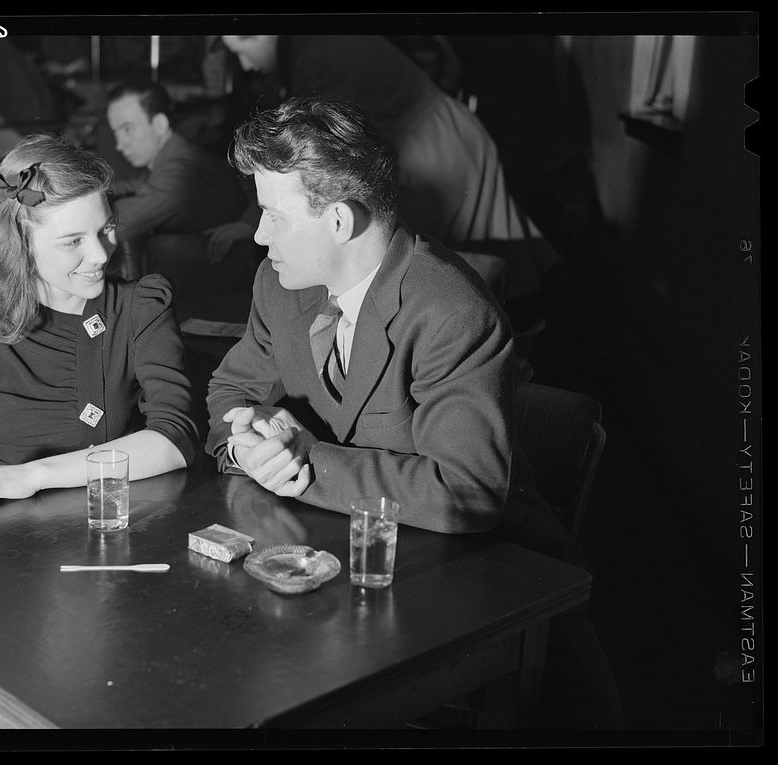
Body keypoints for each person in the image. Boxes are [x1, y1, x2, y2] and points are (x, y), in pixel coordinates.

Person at [205, 96, 624, 729]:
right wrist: (247, 442)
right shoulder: (279, 282)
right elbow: (231, 389)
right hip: (339, 571)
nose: (258, 235)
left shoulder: (452, 310)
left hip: (485, 588)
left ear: (339, 221)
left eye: (270, 214)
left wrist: (305, 464)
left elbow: (468, 492)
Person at [0, 133, 199, 512]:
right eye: (73, 242)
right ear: (20, 243)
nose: (100, 254)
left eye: (106, 229)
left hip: (119, 531)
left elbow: (174, 439)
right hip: (12, 550)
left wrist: (30, 476)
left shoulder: (140, 307)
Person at [210, 35, 560, 327]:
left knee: (452, 268)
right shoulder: (310, 46)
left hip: (436, 148)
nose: (244, 64)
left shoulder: (316, 53)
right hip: (428, 140)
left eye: (242, 47)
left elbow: (301, 159)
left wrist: (249, 221)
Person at [105, 79, 259, 294]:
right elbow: (139, 185)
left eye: (128, 129)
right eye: (116, 133)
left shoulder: (181, 166)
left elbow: (121, 222)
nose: (120, 145)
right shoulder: (172, 157)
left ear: (159, 124)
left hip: (223, 278)